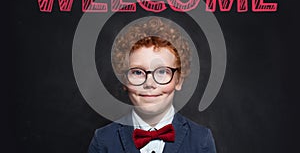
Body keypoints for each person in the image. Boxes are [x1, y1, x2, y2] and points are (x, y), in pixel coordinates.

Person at [88, 17, 217, 153]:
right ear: (124, 80)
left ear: (178, 81)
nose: (149, 83)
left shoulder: (201, 140)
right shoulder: (103, 140)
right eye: (138, 72)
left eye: (162, 71)